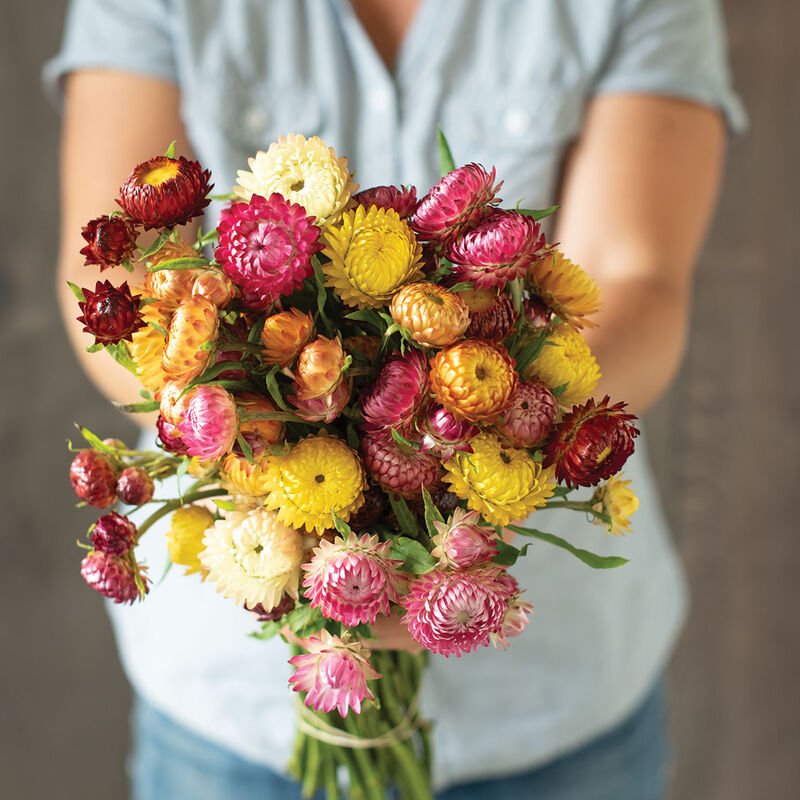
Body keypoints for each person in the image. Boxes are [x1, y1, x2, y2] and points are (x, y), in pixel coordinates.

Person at [44, 1, 745, 798]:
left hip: (553, 710)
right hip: (232, 703)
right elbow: (127, 286)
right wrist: (255, 442)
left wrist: (469, 464)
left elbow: (636, 279)